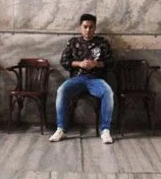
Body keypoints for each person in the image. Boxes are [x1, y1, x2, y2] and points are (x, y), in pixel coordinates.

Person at [49, 13, 115, 144]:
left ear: (95, 27)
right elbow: (64, 61)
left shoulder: (102, 43)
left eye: (91, 27)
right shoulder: (73, 42)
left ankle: (105, 130)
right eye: (85, 27)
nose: (88, 30)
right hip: (77, 78)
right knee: (62, 90)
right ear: (80, 27)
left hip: (96, 79)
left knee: (108, 92)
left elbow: (111, 62)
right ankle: (61, 129)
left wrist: (97, 64)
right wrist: (79, 64)